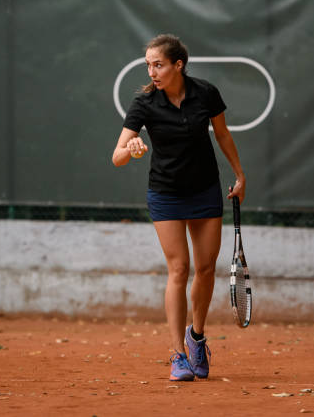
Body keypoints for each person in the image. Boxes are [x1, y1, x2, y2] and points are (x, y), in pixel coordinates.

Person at [112, 34, 245, 381]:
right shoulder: (143, 103)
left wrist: (240, 176)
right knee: (179, 269)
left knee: (204, 269)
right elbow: (118, 157)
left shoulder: (206, 93)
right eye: (149, 66)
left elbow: (223, 134)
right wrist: (134, 148)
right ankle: (177, 355)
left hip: (204, 190)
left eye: (158, 65)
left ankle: (197, 336)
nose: (152, 72)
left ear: (178, 65)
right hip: (166, 193)